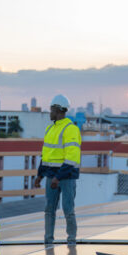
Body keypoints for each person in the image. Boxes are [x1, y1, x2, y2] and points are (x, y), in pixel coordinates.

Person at [33, 94, 81, 244]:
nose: (50, 112)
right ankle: (48, 240)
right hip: (51, 176)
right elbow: (46, 156)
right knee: (49, 209)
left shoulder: (70, 129)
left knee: (68, 210)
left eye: (52, 109)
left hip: (66, 177)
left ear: (59, 110)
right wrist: (40, 175)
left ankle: (71, 240)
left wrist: (58, 178)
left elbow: (71, 158)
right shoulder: (50, 129)